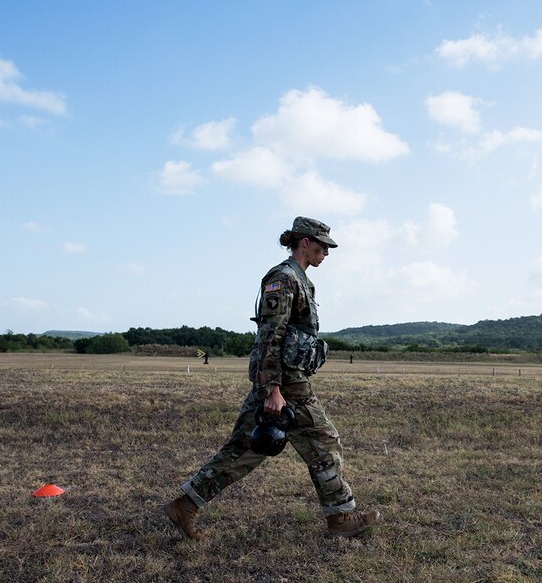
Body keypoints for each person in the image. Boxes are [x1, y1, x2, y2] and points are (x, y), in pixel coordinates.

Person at [163, 216, 381, 540]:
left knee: (245, 449)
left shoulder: (301, 279)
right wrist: (272, 390)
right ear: (304, 242)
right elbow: (270, 335)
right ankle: (341, 517)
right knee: (323, 441)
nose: (327, 253)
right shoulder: (283, 278)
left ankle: (186, 504)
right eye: (323, 246)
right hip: (285, 383)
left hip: (283, 379)